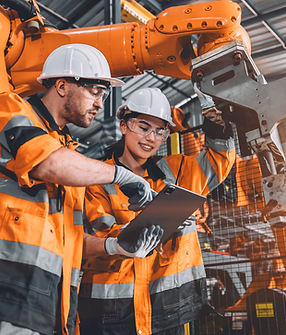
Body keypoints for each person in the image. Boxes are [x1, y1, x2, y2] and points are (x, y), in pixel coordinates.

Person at [0, 44, 163, 335]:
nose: (101, 104)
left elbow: (73, 238)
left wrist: (114, 246)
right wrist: (122, 175)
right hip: (10, 292)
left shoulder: (68, 152)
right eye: (95, 92)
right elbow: (47, 163)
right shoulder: (10, 109)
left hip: (56, 302)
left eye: (103, 95)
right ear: (62, 86)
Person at [78, 86, 236, 335]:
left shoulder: (179, 171)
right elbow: (101, 234)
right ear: (124, 126)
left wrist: (215, 119)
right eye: (143, 127)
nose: (151, 137)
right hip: (110, 311)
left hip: (169, 308)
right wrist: (147, 225)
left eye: (160, 131)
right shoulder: (99, 178)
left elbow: (219, 160)